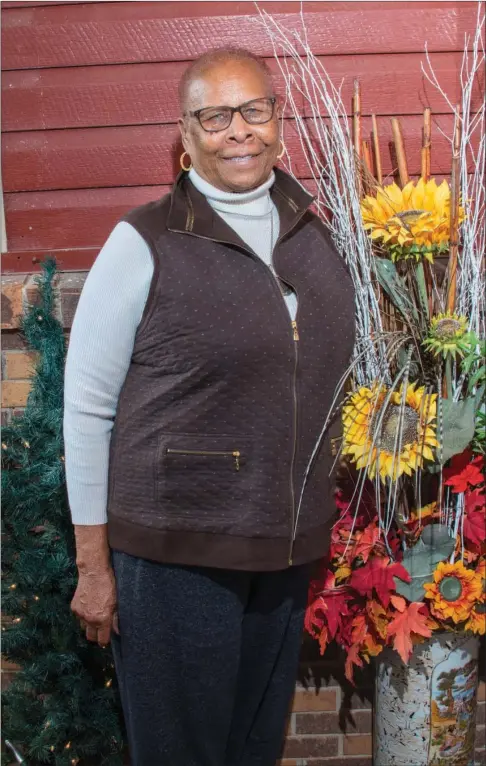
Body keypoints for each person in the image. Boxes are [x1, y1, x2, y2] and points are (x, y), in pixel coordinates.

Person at [64, 47, 355, 766]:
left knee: (251, 749)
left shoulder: (315, 236)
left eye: (254, 110)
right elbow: (88, 409)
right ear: (186, 133)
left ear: (278, 122)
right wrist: (93, 567)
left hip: (280, 552)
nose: (239, 131)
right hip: (175, 555)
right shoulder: (145, 241)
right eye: (215, 115)